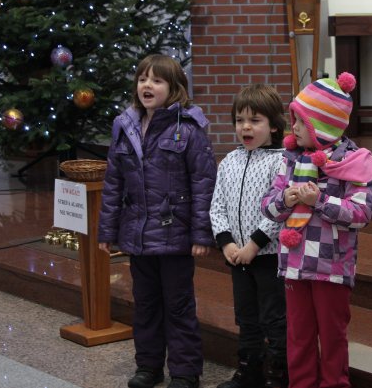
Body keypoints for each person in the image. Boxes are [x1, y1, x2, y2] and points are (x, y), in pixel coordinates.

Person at [98, 54, 217, 388]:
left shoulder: (189, 130)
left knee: (178, 306)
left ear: (175, 88)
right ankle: (148, 367)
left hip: (175, 235)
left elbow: (203, 184)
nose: (147, 85)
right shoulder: (126, 128)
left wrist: (201, 234)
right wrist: (107, 230)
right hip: (138, 235)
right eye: (142, 79)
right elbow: (112, 184)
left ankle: (184, 372)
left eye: (157, 80)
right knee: (146, 305)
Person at [261, 73, 372, 388]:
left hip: (332, 266)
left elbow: (360, 214)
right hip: (294, 265)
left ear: (323, 125)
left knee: (332, 338)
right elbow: (268, 208)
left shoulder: (356, 162)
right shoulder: (289, 159)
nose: (294, 128)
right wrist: (285, 199)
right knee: (299, 336)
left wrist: (320, 201)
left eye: (301, 122)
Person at [209, 84, 289, 388]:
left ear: (273, 125)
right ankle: (248, 370)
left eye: (255, 120)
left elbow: (280, 210)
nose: (246, 126)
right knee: (246, 317)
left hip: (267, 256)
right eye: (240, 120)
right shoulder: (229, 161)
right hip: (238, 256)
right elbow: (217, 207)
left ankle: (278, 374)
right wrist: (227, 242)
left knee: (274, 317)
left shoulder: (281, 161)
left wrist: (253, 245)